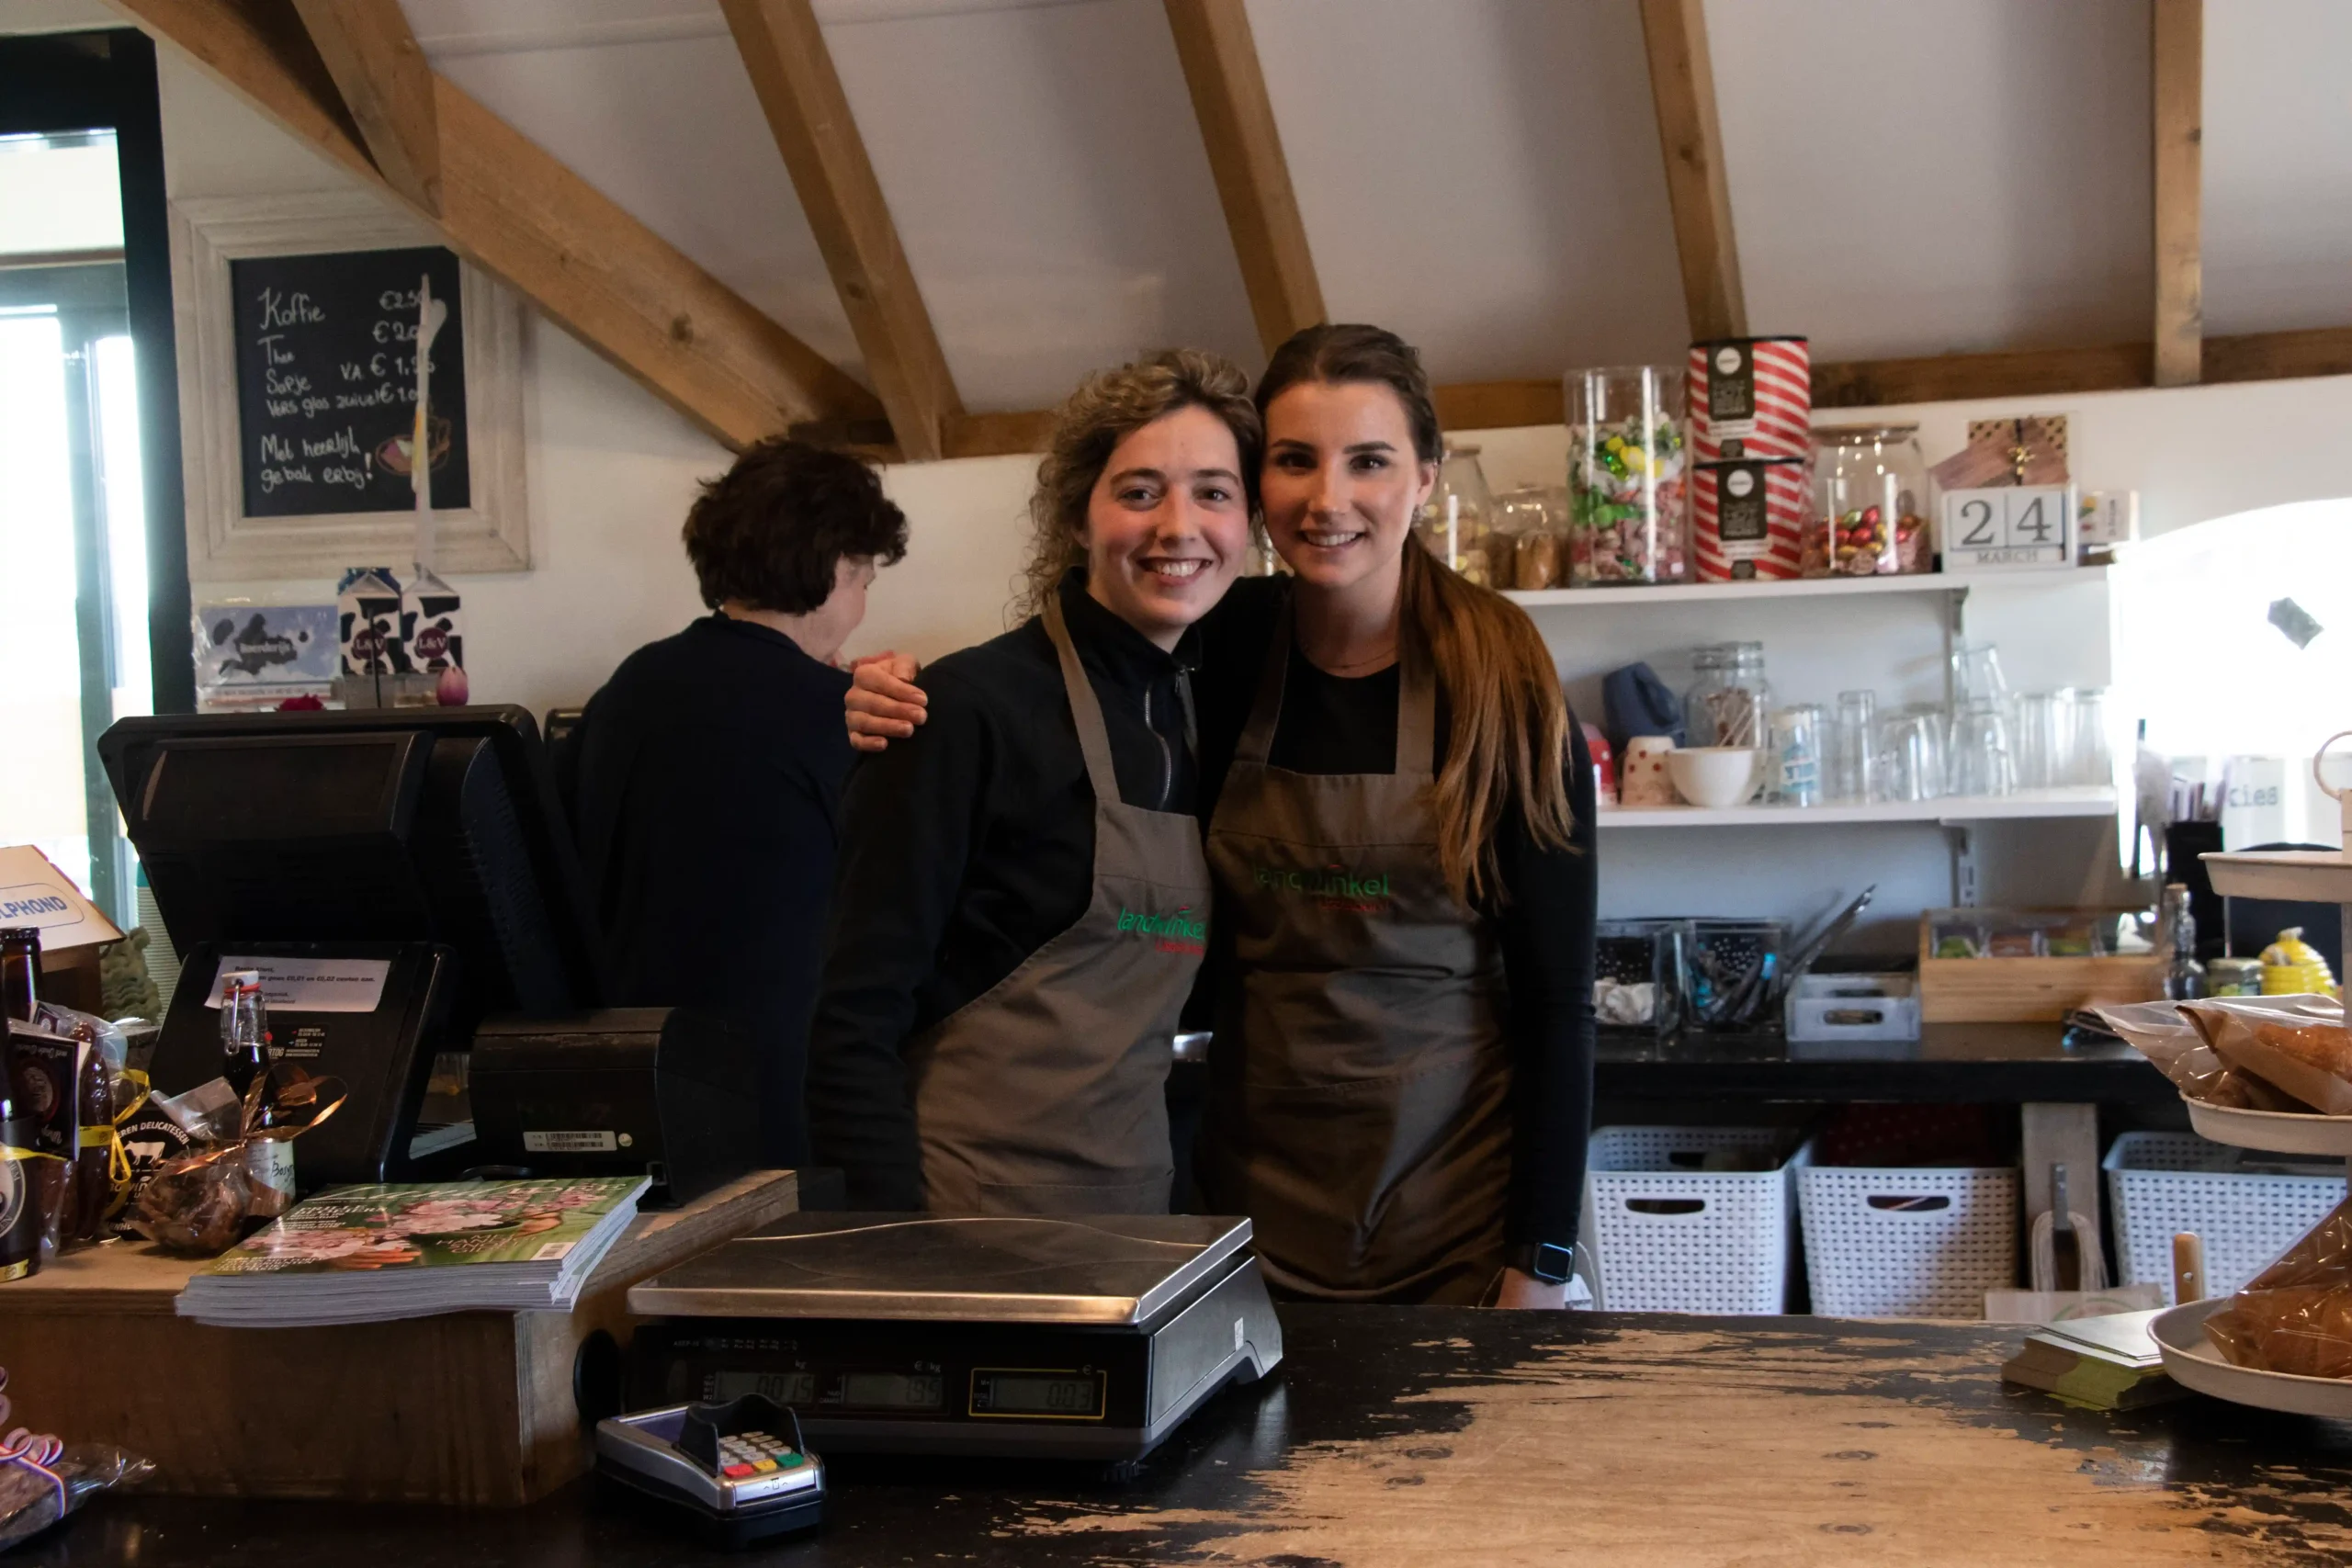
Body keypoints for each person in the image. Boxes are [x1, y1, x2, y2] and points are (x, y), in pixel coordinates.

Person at [848, 325, 1595, 1308]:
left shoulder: (1506, 693)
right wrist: (869, 698)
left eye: (1368, 461)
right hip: (1249, 1223)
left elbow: (1557, 1002)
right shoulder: (1219, 648)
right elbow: (1067, 681)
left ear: (1425, 476)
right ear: (1260, 495)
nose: (1328, 500)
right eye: (1293, 462)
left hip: (1459, 1219)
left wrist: (1536, 1257)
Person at [804, 349, 1261, 1214]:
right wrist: (894, 1254)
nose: (1178, 525)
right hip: (968, 1223)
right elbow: (849, 1020)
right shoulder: (964, 710)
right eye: (1138, 492)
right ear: (1080, 518)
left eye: (1213, 491)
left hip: (1133, 1214)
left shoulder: (1203, 707)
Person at [560, 436, 908, 1168]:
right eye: (865, 578)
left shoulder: (624, 691)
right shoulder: (839, 715)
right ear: (836, 564)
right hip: (783, 1110)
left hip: (619, 1094)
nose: (861, 604)